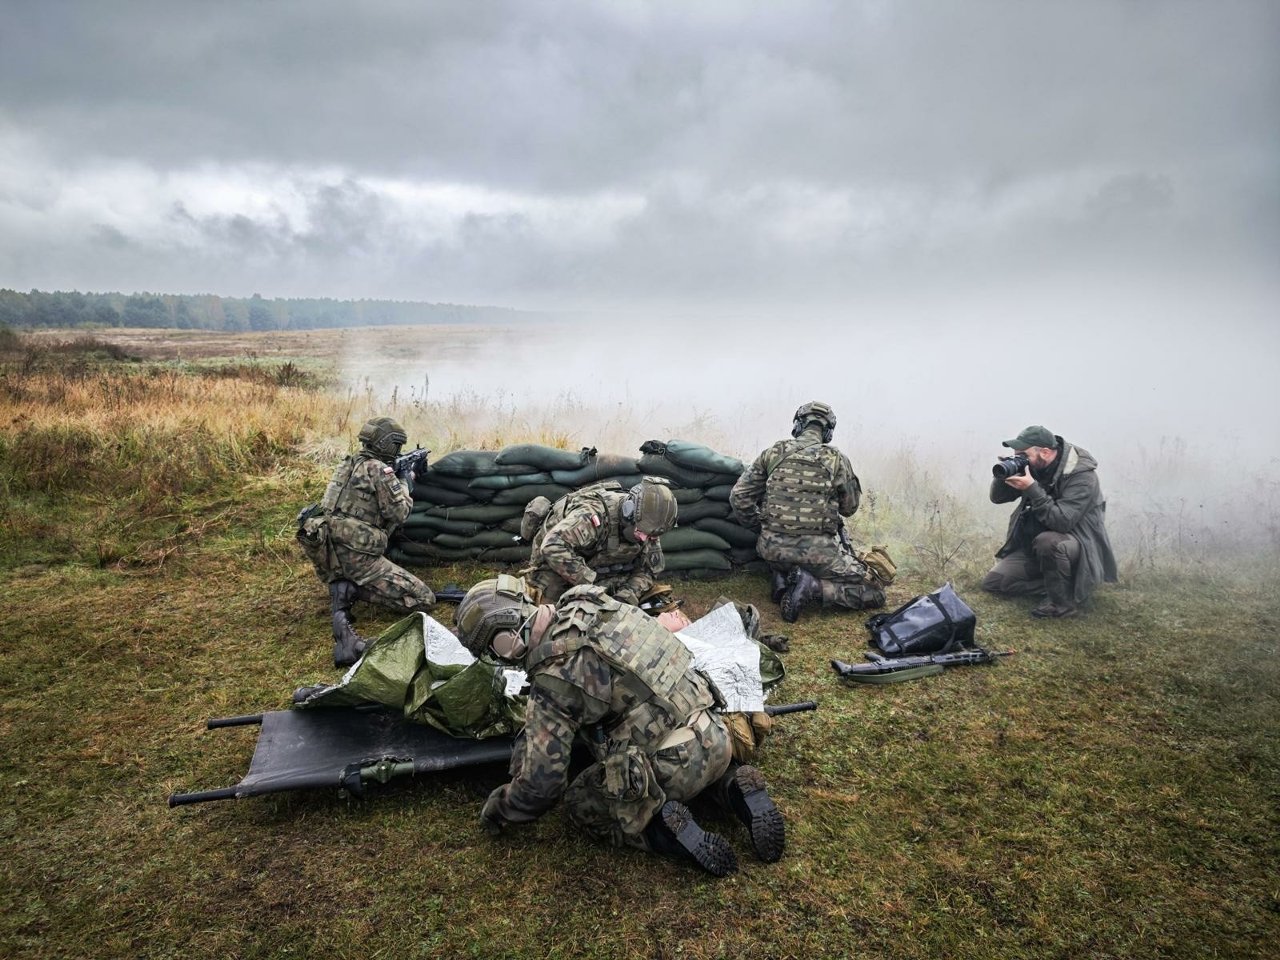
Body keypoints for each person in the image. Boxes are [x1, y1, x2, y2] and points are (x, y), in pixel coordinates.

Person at [454, 574, 786, 876]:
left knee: (580, 804)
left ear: (506, 639)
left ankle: (663, 831)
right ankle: (734, 787)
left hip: (673, 767)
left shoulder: (554, 678)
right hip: (717, 731)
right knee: (686, 748)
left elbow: (542, 787)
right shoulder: (588, 599)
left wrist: (499, 808)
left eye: (492, 651)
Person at [296, 416, 435, 667]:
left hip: (329, 552)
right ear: (387, 445)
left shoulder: (348, 463)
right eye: (396, 446)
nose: (398, 451)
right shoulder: (380, 471)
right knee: (424, 599)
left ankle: (343, 583)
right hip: (358, 556)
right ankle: (351, 589)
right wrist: (404, 481)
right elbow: (399, 513)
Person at [730, 401, 885, 623]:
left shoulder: (774, 452)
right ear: (828, 432)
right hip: (819, 557)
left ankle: (784, 577)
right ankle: (813, 587)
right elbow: (849, 509)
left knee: (787, 558)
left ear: (798, 426)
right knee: (876, 590)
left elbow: (739, 497)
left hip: (772, 551)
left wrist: (763, 528)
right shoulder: (836, 459)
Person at [982, 425, 1118, 618]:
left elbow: (1062, 522)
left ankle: (1063, 603)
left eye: (1023, 454)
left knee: (1049, 542)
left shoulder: (1082, 476)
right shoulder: (1034, 466)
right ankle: (1056, 584)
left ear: (1045, 452)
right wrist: (1003, 474)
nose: (1018, 458)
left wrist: (1032, 489)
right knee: (994, 582)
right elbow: (998, 498)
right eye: (1015, 454)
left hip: (1076, 543)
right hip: (1036, 545)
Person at [521, 477, 678, 606]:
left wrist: (627, 594)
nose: (645, 539)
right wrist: (592, 586)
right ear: (628, 512)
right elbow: (552, 546)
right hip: (555, 563)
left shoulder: (648, 526)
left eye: (650, 536)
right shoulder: (592, 515)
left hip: (594, 562)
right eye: (641, 533)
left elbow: (650, 568)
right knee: (552, 612)